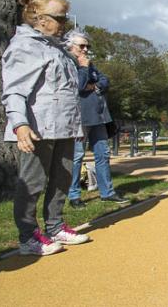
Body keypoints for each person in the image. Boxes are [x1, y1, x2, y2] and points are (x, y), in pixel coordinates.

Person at [2, 0, 90, 256]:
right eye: (59, 18)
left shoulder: (56, 47)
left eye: (65, 18)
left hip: (63, 125)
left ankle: (55, 225)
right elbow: (14, 91)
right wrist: (20, 125)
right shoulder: (24, 46)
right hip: (38, 126)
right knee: (33, 182)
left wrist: (76, 126)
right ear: (39, 17)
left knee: (62, 178)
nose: (64, 23)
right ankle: (28, 237)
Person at [64, 30, 128, 207]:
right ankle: (73, 195)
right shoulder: (69, 63)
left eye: (87, 46)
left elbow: (105, 81)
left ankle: (107, 192)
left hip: (99, 117)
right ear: (70, 46)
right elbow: (78, 86)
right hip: (79, 119)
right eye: (81, 46)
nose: (85, 49)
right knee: (77, 157)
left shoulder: (89, 64)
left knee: (103, 155)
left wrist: (94, 84)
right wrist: (84, 69)